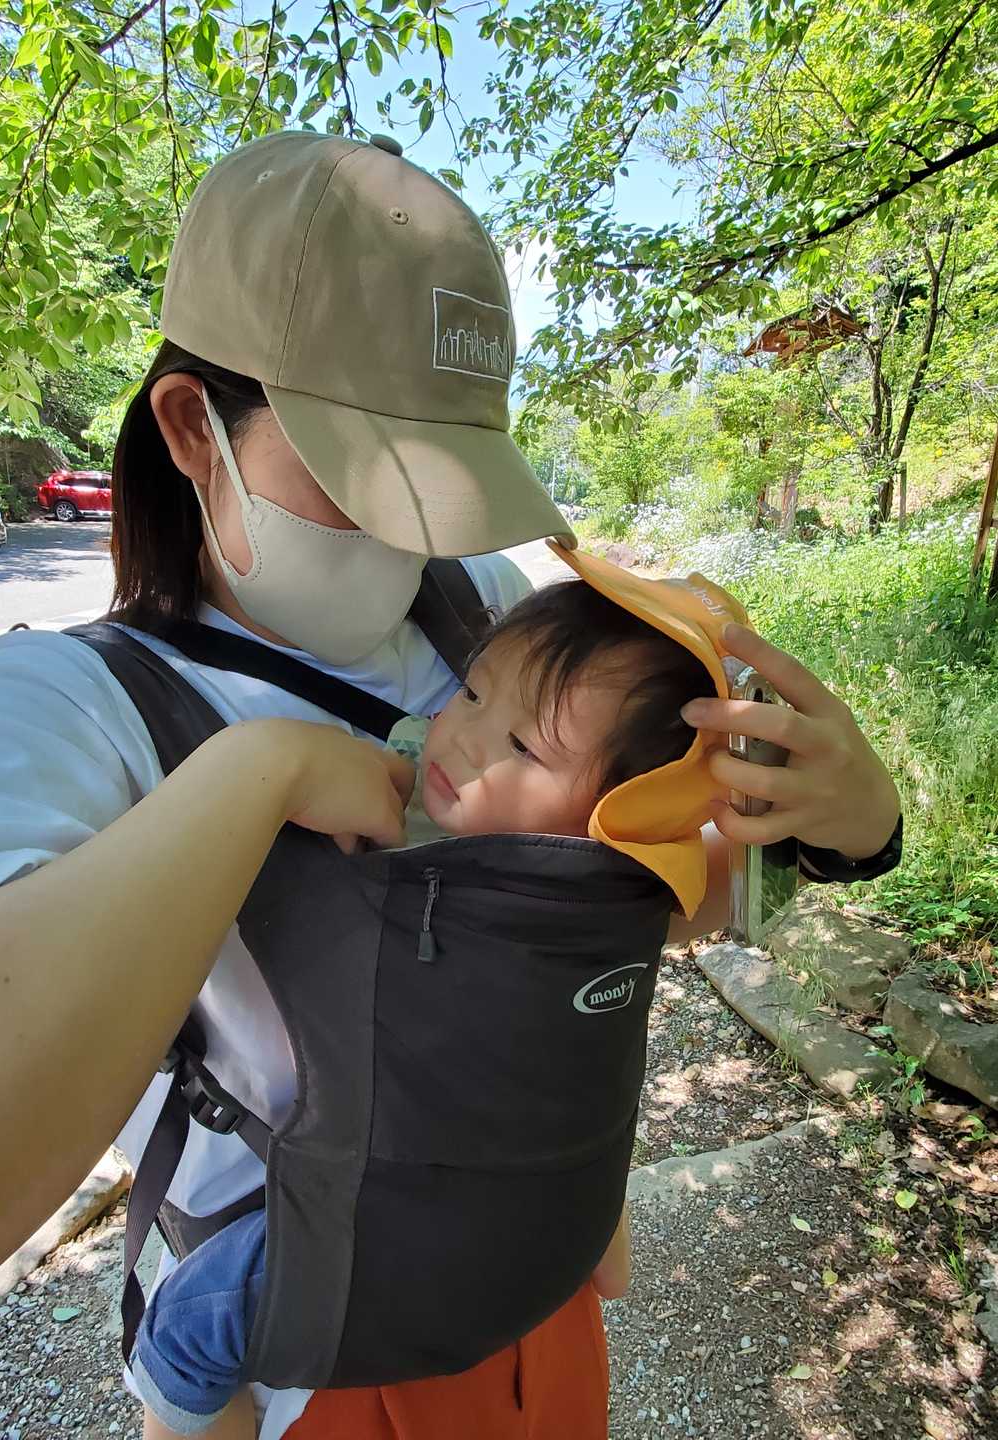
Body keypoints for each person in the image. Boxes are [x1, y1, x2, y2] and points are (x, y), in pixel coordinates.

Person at [0, 129, 902, 1440]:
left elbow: (638, 901)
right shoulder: (56, 710)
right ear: (193, 427)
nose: (414, 535)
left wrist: (839, 837)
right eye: (366, 473)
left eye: (442, 483)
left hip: (532, 1298)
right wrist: (254, 777)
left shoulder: (488, 607)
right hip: (302, 1350)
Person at [131, 568, 730, 1440]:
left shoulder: (480, 906)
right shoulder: (628, 895)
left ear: (615, 819)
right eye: (472, 691)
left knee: (187, 1329)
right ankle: (600, 1255)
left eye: (524, 747)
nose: (465, 739)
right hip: (557, 1223)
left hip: (403, 1229)